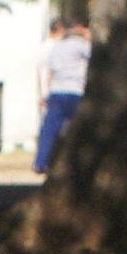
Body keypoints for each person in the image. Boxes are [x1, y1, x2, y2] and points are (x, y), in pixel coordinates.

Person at [34, 20, 90, 176]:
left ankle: (41, 162)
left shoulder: (55, 47)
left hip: (57, 91)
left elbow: (48, 71)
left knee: (50, 129)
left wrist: (45, 93)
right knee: (78, 129)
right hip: (75, 91)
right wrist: (87, 37)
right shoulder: (80, 45)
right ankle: (76, 161)